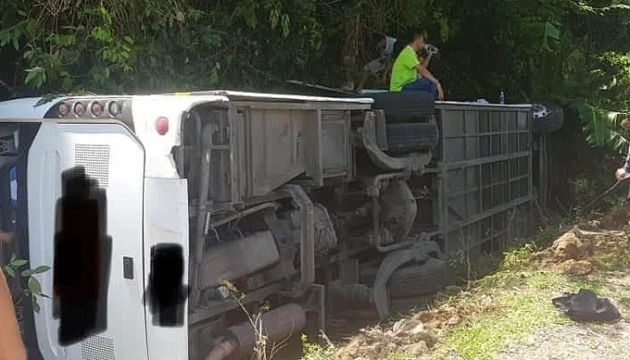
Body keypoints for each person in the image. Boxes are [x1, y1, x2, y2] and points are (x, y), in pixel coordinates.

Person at [389, 30, 444, 100]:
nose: (424, 43)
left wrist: (429, 55)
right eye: (423, 40)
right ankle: (432, 106)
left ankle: (429, 104)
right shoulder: (408, 53)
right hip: (400, 89)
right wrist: (437, 83)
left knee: (429, 83)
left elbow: (421, 68)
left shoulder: (411, 53)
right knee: (428, 83)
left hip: (406, 86)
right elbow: (422, 70)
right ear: (418, 39)